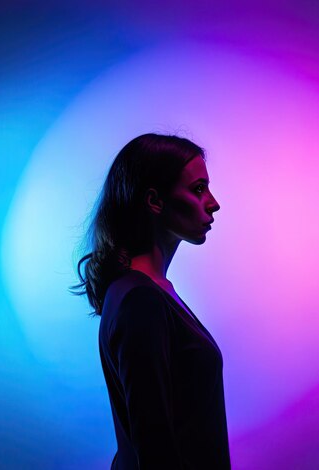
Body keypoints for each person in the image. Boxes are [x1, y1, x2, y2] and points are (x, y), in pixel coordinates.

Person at [71, 133, 230, 469]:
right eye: (198, 188)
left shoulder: (146, 292)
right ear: (155, 200)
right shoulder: (140, 300)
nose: (213, 202)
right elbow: (153, 445)